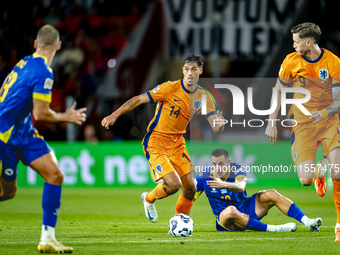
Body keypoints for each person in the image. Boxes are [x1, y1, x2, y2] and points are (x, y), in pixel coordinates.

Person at [101, 53, 225, 223]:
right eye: (187, 69)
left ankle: (180, 220)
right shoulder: (169, 88)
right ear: (182, 70)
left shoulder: (204, 97)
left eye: (194, 69)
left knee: (190, 188)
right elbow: (138, 100)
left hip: (177, 143)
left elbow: (216, 127)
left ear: (200, 71)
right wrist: (114, 115)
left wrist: (220, 123)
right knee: (174, 185)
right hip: (156, 142)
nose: (190, 73)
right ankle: (148, 199)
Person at [0, 25, 87, 253]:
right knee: (7, 193)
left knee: (55, 174)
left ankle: (47, 238)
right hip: (4, 136)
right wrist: (65, 117)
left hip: (24, 131)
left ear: (36, 43)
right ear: (58, 46)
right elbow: (42, 114)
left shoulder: (24, 62)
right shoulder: (44, 72)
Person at [265, 22, 340, 241]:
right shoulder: (290, 61)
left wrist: (324, 113)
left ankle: (339, 225)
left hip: (328, 122)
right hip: (301, 125)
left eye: (296, 41)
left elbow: (338, 100)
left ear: (308, 42)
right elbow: (278, 90)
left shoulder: (333, 62)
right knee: (305, 180)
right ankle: (318, 171)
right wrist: (272, 121)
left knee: (338, 173)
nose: (293, 44)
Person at [194, 148, 322, 232]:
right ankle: (276, 229)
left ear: (228, 163)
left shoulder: (237, 170)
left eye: (221, 164)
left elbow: (241, 187)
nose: (217, 168)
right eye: (214, 164)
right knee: (231, 211)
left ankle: (308, 221)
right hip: (225, 220)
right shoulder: (204, 176)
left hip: (246, 207)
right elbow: (189, 196)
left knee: (271, 193)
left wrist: (224, 184)